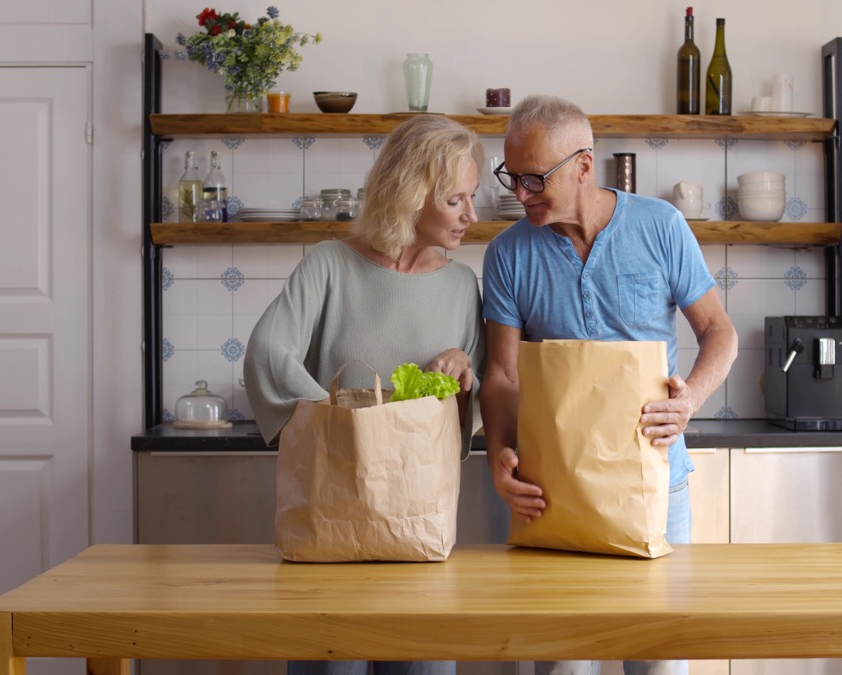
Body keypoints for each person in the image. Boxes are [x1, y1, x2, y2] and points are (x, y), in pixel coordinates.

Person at [479, 95, 738, 675]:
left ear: (584, 165)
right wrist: (499, 453)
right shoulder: (506, 254)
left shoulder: (661, 226)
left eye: (534, 178)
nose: (519, 194)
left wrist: (690, 398)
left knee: (660, 661)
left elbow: (720, 332)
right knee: (566, 664)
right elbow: (501, 374)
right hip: (554, 489)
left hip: (657, 482)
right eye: (511, 177)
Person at [244, 114, 487, 675]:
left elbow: (462, 420)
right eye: (456, 201)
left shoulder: (460, 286)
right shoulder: (328, 266)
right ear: (409, 193)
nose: (471, 216)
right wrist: (341, 421)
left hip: (415, 527)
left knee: (422, 667)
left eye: (471, 198)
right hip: (332, 525)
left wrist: (461, 368)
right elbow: (266, 353)